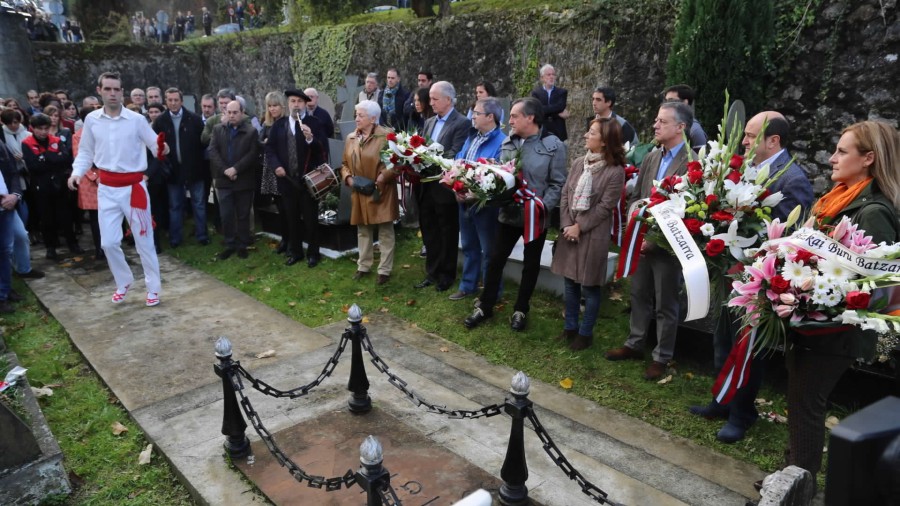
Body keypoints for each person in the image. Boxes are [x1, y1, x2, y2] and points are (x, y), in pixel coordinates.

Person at [784, 121, 900, 483]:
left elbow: (878, 287)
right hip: (814, 322)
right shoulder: (837, 199)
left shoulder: (873, 212)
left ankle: (797, 481)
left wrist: (819, 291)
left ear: (868, 158)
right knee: (800, 399)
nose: (832, 158)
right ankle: (790, 472)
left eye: (842, 151)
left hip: (836, 331)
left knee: (806, 402)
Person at [690, 112, 814, 443]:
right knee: (722, 338)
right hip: (729, 271)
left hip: (757, 281)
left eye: (750, 136)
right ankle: (722, 399)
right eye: (744, 135)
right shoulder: (744, 168)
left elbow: (790, 237)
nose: (744, 141)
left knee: (748, 349)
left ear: (773, 141)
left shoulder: (792, 181)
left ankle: (742, 413)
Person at [604, 101, 694, 380]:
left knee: (666, 303)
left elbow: (689, 209)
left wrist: (654, 241)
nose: (655, 125)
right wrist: (633, 232)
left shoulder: (693, 162)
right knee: (638, 294)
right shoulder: (652, 157)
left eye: (662, 121)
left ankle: (662, 356)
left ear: (681, 127)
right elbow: (636, 198)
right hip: (640, 241)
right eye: (656, 120)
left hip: (668, 247)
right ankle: (635, 343)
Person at [464, 97, 567, 331]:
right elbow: (502, 177)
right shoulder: (508, 143)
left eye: (514, 116)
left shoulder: (554, 146)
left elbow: (557, 183)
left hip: (536, 217)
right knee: (495, 260)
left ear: (530, 118)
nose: (509, 120)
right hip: (509, 214)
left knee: (530, 265)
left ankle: (521, 309)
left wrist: (541, 206)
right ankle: (485, 306)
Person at [68, 71, 168, 307]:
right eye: (108, 89)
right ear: (99, 90)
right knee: (108, 243)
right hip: (107, 188)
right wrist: (76, 173)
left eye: (117, 89)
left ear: (122, 92)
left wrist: (163, 149)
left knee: (144, 241)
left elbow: (157, 147)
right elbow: (85, 152)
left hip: (134, 188)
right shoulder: (92, 120)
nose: (113, 93)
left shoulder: (136, 120)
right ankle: (123, 280)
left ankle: (153, 288)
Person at [551, 118, 626, 350]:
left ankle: (585, 334)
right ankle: (570, 327)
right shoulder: (578, 164)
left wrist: (579, 227)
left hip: (592, 235)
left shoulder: (615, 172)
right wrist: (566, 225)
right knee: (570, 283)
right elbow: (565, 195)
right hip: (569, 231)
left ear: (604, 142)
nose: (585, 135)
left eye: (591, 133)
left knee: (590, 287)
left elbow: (605, 207)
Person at [449, 97, 505, 302]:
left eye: (477, 113)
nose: (472, 116)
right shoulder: (473, 136)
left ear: (490, 117)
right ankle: (468, 285)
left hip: (485, 205)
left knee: (489, 251)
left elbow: (497, 174)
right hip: (464, 199)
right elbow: (461, 160)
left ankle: (492, 292)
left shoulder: (502, 142)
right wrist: (456, 185)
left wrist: (476, 193)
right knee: (469, 246)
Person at [415, 81, 469, 292]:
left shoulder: (462, 122)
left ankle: (447, 274)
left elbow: (455, 152)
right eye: (430, 98)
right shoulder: (429, 122)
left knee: (447, 230)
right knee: (429, 229)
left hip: (444, 186)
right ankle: (432, 271)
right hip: (426, 186)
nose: (431, 102)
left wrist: (429, 158)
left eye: (435, 98)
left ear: (448, 99)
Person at [264, 89, 325, 267]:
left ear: (305, 104)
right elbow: (270, 149)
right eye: (292, 101)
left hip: (307, 180)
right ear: (288, 104)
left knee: (311, 219)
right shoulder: (280, 125)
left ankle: (313, 253)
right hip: (286, 181)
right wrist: (277, 166)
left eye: (299, 101)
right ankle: (295, 251)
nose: (296, 105)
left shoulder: (314, 123)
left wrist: (310, 139)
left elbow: (322, 150)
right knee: (291, 218)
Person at [340, 100, 398, 285]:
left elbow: (396, 163)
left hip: (381, 191)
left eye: (361, 115)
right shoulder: (351, 138)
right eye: (356, 115)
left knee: (385, 231)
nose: (357, 118)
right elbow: (344, 164)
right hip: (359, 191)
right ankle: (363, 266)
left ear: (373, 118)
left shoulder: (387, 136)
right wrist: (348, 178)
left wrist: (383, 177)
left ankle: (385, 270)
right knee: (363, 230)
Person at [153, 87, 208, 248]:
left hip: (194, 169)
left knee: (198, 203)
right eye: (170, 100)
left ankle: (202, 235)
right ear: (166, 101)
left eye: (176, 100)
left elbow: (202, 143)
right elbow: (156, 145)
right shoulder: (161, 121)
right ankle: (175, 238)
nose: (173, 103)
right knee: (175, 205)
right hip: (173, 170)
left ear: (181, 101)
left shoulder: (194, 119)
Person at [21, 113, 81, 260]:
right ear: (32, 128)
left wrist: (44, 157)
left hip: (59, 183)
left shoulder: (55, 140)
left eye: (45, 128)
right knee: (46, 218)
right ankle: (50, 247)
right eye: (39, 128)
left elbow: (66, 159)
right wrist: (53, 158)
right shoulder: (27, 143)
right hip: (41, 185)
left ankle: (72, 243)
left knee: (66, 215)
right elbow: (33, 166)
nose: (43, 132)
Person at [209, 100, 258, 259]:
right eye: (228, 112)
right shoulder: (218, 130)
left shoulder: (251, 131)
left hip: (244, 179)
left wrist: (236, 169)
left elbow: (252, 154)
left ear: (242, 112)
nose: (231, 115)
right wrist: (226, 170)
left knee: (243, 214)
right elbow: (213, 151)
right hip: (223, 180)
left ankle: (243, 244)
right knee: (226, 214)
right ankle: (230, 243)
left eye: (235, 112)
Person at [258, 91, 288, 254]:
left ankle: (290, 239)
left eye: (275, 105)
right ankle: (284, 239)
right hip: (270, 168)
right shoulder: (266, 124)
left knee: (286, 207)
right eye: (269, 106)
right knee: (278, 206)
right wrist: (266, 143)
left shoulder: (286, 123)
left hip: (283, 168)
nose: (272, 109)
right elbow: (260, 142)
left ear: (281, 106)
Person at [663, 84, 708, 151]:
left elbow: (699, 160)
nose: (666, 105)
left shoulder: (695, 131)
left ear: (685, 102)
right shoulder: (663, 126)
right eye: (666, 101)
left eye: (671, 100)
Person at [531, 64, 569, 142]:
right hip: (542, 131)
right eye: (548, 75)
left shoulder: (562, 92)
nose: (551, 77)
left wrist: (544, 110)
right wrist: (557, 114)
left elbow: (560, 107)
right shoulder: (536, 93)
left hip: (558, 132)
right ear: (542, 78)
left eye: (553, 74)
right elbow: (536, 110)